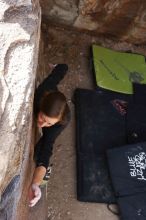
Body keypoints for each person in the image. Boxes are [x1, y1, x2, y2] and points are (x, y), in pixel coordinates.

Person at [28, 64, 70, 207]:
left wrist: (35, 184)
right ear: (41, 107)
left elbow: (47, 149)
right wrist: (62, 66)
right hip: (50, 98)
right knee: (54, 78)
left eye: (48, 123)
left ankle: (45, 173)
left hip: (58, 123)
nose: (42, 124)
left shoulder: (58, 124)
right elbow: (55, 76)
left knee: (39, 154)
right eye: (41, 117)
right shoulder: (41, 93)